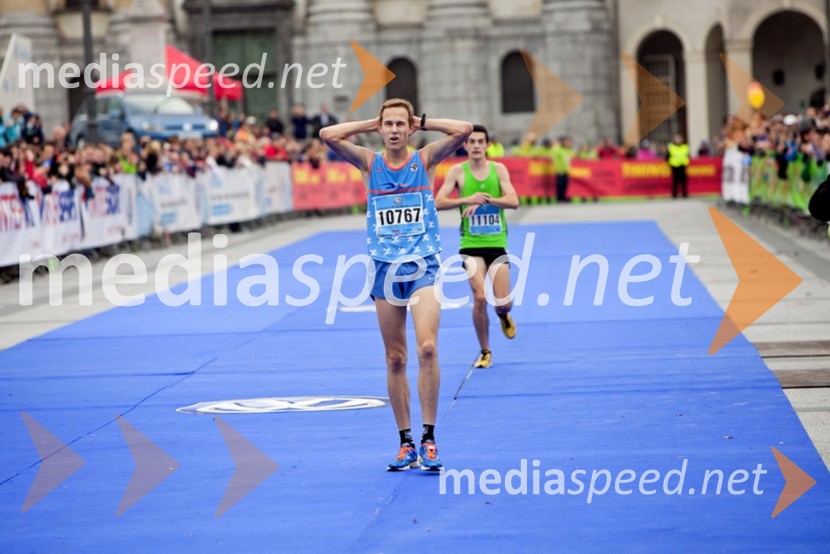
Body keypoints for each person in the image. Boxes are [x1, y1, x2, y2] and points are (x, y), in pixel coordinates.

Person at [320, 99, 472, 472]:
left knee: (428, 348)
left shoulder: (425, 159)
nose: (392, 129)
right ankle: (405, 442)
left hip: (422, 266)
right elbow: (327, 135)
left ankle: (429, 437)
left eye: (399, 124)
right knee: (396, 358)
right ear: (381, 127)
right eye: (386, 123)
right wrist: (367, 123)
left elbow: (464, 130)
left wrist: (425, 122)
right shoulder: (369, 164)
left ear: (408, 128)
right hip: (385, 269)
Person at [435, 124, 519, 368]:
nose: (476, 146)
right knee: (480, 298)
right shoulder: (458, 171)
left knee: (503, 302)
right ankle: (485, 351)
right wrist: (465, 199)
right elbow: (438, 201)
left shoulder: (498, 169)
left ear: (488, 145)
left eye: (480, 142)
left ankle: (503, 315)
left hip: (496, 243)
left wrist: (487, 200)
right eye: (471, 142)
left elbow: (514, 201)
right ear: (465, 145)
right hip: (470, 244)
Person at [551, 136, 574, 202]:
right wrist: (558, 169)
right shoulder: (557, 149)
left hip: (566, 170)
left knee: (565, 184)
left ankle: (563, 196)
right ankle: (559, 197)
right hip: (560, 170)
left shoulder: (565, 150)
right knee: (560, 184)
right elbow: (555, 159)